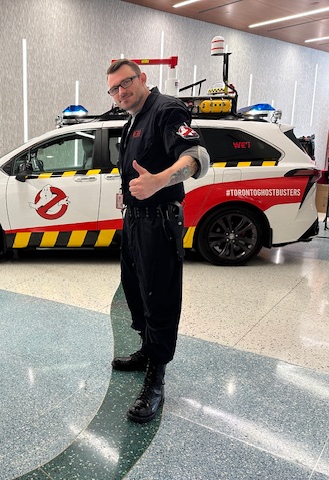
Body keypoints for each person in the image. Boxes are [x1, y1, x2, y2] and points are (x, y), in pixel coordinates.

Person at [106, 59, 210, 423]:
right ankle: (147, 351)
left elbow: (197, 158)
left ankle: (156, 377)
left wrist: (159, 181)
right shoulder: (132, 119)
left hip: (160, 223)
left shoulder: (166, 110)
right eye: (114, 88)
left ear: (143, 78)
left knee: (159, 297)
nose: (121, 92)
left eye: (126, 83)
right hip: (135, 222)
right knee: (135, 290)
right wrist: (128, 193)